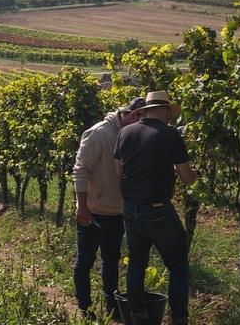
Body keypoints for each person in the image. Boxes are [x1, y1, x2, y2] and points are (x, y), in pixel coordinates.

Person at [113, 91, 197, 325]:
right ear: (167, 110)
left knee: (137, 265)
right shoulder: (170, 135)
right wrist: (194, 174)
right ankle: (179, 318)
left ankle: (137, 315)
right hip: (158, 210)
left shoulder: (125, 132)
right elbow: (187, 178)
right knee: (178, 265)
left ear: (145, 111)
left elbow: (119, 173)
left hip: (131, 208)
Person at [72, 96, 145, 320]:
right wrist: (82, 207)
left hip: (117, 212)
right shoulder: (99, 133)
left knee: (111, 260)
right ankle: (85, 309)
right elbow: (80, 170)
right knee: (84, 262)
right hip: (93, 212)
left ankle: (111, 307)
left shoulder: (131, 136)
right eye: (143, 121)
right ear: (133, 116)